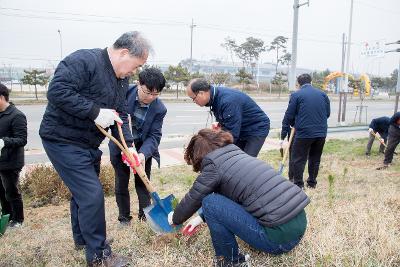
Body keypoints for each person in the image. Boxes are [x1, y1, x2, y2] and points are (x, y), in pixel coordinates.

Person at [39, 31, 151, 267]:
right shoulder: (83, 61)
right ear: (123, 54)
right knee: (92, 194)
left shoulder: (121, 79)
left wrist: (129, 146)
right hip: (62, 139)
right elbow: (57, 91)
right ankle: (99, 256)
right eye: (136, 65)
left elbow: (120, 113)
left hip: (88, 144)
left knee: (82, 194)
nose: (135, 72)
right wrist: (95, 112)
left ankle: (83, 239)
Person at [168, 129, 310, 267]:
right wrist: (200, 218)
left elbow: (194, 198)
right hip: (300, 226)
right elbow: (231, 198)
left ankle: (230, 262)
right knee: (216, 202)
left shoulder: (212, 166)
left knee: (210, 202)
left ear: (198, 155)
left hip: (279, 240)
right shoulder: (237, 155)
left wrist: (175, 218)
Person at [109, 67, 167, 224]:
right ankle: (124, 218)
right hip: (120, 144)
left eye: (156, 94)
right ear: (139, 83)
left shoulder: (160, 109)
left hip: (142, 147)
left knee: (143, 181)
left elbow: (155, 136)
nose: (150, 97)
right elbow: (115, 122)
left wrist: (142, 155)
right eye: (147, 92)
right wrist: (127, 147)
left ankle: (144, 216)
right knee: (121, 182)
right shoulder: (124, 93)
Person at [186, 78, 270, 157]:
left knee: (246, 160)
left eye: (193, 98)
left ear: (201, 93)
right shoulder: (214, 98)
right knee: (234, 156)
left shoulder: (227, 101)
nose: (194, 101)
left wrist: (214, 148)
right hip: (239, 127)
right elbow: (226, 126)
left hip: (256, 128)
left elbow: (231, 133)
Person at [281, 73, 330, 189]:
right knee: (315, 158)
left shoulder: (296, 95)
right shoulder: (323, 94)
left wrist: (284, 132)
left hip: (304, 133)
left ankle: (298, 184)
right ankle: (312, 182)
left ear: (298, 84)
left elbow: (289, 115)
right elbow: (327, 114)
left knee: (298, 158)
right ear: (311, 82)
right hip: (321, 132)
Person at [0, 83, 27, 228]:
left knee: (11, 191)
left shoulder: (16, 115)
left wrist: (3, 141)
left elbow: (22, 139)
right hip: (0, 160)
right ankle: (7, 217)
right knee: (2, 192)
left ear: (2, 97)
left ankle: (18, 220)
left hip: (11, 161)